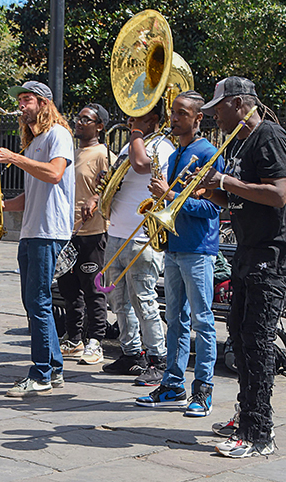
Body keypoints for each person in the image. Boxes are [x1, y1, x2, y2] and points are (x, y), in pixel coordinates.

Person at [199, 77, 286, 458]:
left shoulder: (270, 137)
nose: (214, 117)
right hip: (247, 251)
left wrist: (225, 179)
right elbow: (236, 196)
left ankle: (260, 433)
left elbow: (278, 193)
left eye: (219, 109)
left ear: (240, 103)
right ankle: (246, 413)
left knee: (258, 343)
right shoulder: (239, 142)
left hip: (272, 254)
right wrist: (209, 189)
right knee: (241, 339)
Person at [135, 91, 223, 416]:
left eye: (182, 114)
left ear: (198, 118)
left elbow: (212, 208)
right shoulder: (174, 156)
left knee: (202, 319)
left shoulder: (209, 154)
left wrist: (169, 194)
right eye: (173, 112)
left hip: (198, 249)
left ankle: (203, 391)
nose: (174, 118)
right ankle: (172, 384)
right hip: (173, 247)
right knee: (174, 319)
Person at [0, 81, 74, 397]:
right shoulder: (36, 140)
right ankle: (53, 367)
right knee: (33, 302)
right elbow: (34, 192)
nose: (21, 105)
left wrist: (13, 157)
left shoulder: (58, 135)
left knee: (38, 302)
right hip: (31, 230)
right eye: (20, 100)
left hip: (48, 230)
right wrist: (0, 204)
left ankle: (40, 373)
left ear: (44, 104)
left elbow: (54, 174)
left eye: (27, 100)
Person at [87, 100, 172, 385]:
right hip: (118, 232)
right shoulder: (129, 146)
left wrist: (135, 134)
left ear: (155, 119)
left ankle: (158, 358)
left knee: (143, 301)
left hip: (141, 236)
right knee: (119, 300)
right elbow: (121, 175)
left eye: (140, 115)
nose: (131, 119)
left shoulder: (161, 146)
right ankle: (131, 352)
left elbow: (141, 165)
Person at [56, 103, 113, 365]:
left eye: (86, 119)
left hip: (92, 231)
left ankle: (96, 341)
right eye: (78, 118)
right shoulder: (70, 152)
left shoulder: (103, 154)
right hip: (68, 232)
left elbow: (111, 187)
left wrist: (96, 198)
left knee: (92, 288)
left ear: (99, 126)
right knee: (69, 289)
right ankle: (73, 339)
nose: (79, 122)